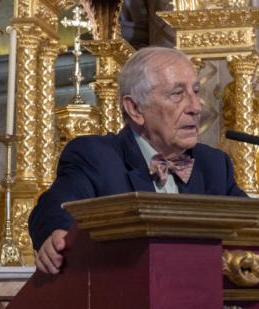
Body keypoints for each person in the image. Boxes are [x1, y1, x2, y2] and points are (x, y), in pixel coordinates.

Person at [29, 47, 247, 274]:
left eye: (195, 92)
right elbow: (54, 206)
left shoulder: (213, 165)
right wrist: (54, 233)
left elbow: (253, 223)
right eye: (177, 94)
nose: (195, 107)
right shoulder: (97, 157)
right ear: (135, 108)